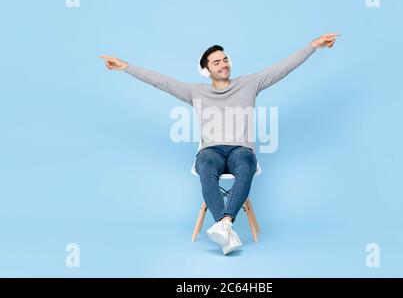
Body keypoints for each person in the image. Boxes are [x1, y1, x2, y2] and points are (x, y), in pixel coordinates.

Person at [99, 33, 340, 255]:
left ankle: (224, 226)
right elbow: (160, 81)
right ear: (206, 70)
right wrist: (125, 67)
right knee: (205, 166)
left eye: (225, 59)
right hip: (211, 151)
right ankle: (228, 229)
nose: (223, 64)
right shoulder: (195, 91)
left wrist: (313, 46)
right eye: (216, 62)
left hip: (240, 150)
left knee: (247, 163)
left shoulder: (250, 83)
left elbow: (282, 68)